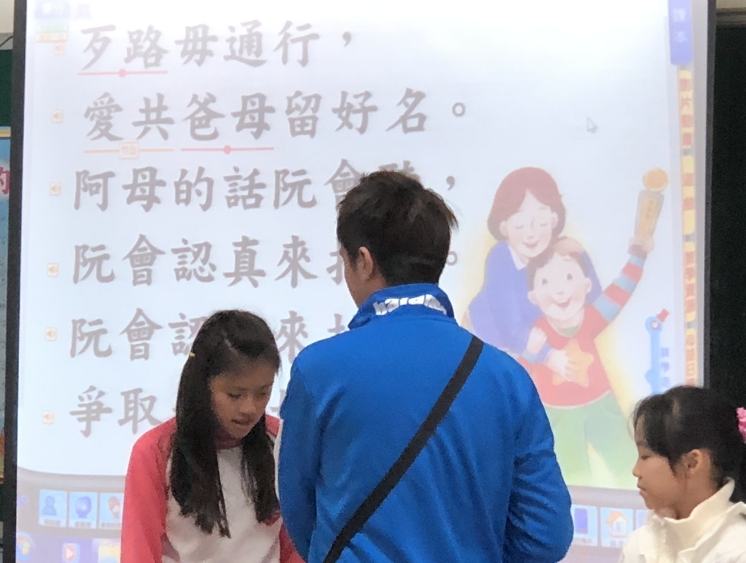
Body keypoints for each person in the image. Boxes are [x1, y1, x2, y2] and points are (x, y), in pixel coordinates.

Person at [278, 171, 573, 562]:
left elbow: (298, 507)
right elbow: (547, 534)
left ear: (364, 261)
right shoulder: (507, 378)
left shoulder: (318, 370)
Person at [120, 310, 301, 563]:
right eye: (235, 395)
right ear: (203, 386)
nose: (249, 408)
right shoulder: (155, 451)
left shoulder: (283, 442)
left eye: (263, 393)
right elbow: (139, 553)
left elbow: (296, 547)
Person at [518, 235, 653, 487]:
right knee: (571, 476)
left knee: (625, 465)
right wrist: (530, 351)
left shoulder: (590, 318)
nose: (560, 290)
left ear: (587, 285)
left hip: (601, 406)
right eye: (546, 282)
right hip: (559, 417)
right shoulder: (537, 332)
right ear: (533, 296)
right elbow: (518, 376)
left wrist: (638, 256)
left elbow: (619, 292)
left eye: (569, 277)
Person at [466, 167, 601, 359]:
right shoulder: (500, 259)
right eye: (520, 225)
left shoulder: (561, 252)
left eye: (541, 224)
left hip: (540, 342)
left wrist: (581, 253)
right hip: (489, 342)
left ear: (553, 221)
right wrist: (548, 355)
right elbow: (510, 328)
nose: (531, 234)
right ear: (504, 227)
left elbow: (594, 302)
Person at [621, 386, 746, 562]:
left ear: (692, 463)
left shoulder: (738, 551)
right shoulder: (640, 544)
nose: (636, 471)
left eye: (645, 456)